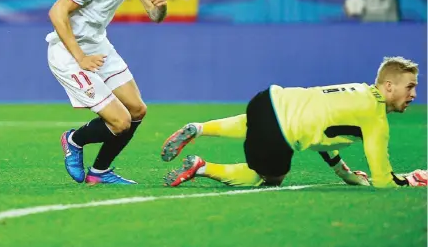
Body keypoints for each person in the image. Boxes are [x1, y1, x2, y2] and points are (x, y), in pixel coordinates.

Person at [162, 56, 428, 189]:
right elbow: (383, 181)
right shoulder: (375, 119)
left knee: (256, 125)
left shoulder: (357, 89)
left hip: (267, 99)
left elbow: (325, 132)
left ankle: (200, 128)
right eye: (410, 87)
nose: (414, 95)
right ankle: (202, 167)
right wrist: (412, 179)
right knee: (268, 177)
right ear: (389, 87)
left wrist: (344, 173)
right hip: (280, 131)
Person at [47, 0, 168, 184]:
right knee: (120, 121)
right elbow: (57, 12)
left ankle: (99, 172)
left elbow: (154, 14)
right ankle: (74, 139)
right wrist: (80, 58)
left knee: (137, 110)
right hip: (69, 51)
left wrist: (160, 7)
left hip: (97, 44)